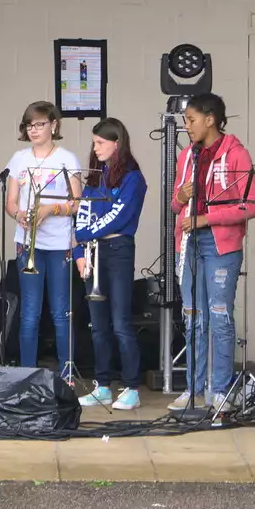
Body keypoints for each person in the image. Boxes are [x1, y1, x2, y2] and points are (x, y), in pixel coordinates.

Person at [170, 92, 255, 413]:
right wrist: (180, 196)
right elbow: (175, 204)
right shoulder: (187, 156)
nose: (187, 126)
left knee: (220, 316)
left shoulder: (236, 155)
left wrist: (207, 218)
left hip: (221, 244)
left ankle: (220, 390)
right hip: (190, 242)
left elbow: (251, 205)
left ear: (210, 119)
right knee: (193, 317)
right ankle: (193, 389)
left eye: (191, 120)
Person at [4, 101, 84, 376]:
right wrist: (19, 215)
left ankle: (67, 374)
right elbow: (10, 202)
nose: (34, 130)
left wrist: (51, 209)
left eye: (39, 124)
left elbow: (76, 203)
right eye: (29, 125)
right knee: (29, 313)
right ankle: (28, 374)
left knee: (61, 312)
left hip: (59, 242)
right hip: (28, 242)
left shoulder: (67, 159)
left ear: (54, 125)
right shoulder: (19, 159)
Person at [73, 118, 147, 411]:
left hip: (117, 250)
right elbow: (83, 211)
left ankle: (131, 387)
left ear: (117, 143)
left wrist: (84, 234)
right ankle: (102, 385)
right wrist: (79, 252)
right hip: (92, 252)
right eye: (94, 143)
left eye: (100, 143)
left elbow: (118, 216)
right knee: (97, 325)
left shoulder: (132, 178)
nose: (95, 148)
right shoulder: (95, 176)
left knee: (120, 323)